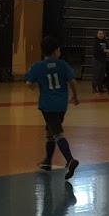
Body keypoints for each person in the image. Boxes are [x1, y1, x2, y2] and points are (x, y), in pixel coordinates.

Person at [24, 36, 80, 179]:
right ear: (55, 51)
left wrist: (39, 89)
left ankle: (70, 160)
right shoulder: (62, 64)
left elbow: (28, 83)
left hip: (48, 105)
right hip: (61, 105)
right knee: (50, 130)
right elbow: (72, 81)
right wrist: (75, 96)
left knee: (57, 133)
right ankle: (47, 161)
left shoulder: (38, 66)